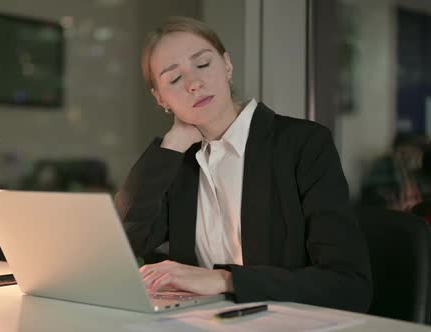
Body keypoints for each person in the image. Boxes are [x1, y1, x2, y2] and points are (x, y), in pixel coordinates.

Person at [115, 16, 372, 313]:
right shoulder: (178, 161)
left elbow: (349, 286)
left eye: (203, 64)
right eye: (174, 79)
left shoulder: (303, 144)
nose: (194, 83)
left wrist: (226, 280)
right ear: (161, 98)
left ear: (227, 66)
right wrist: (171, 144)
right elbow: (122, 245)